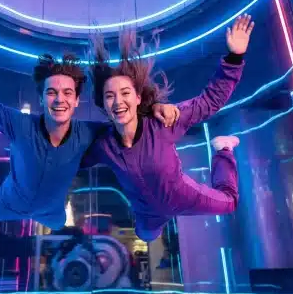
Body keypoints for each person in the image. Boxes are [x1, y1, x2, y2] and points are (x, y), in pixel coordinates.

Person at [0, 29, 180, 230]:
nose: (60, 99)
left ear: (77, 100)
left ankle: (49, 212)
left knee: (57, 224)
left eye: (68, 93)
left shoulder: (89, 133)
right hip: (9, 201)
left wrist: (155, 109)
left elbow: (125, 121)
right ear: (42, 98)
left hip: (51, 211)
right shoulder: (20, 125)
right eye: (52, 93)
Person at [83, 14, 254, 242]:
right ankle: (152, 229)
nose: (117, 102)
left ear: (137, 98)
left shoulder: (162, 123)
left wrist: (235, 57)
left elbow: (209, 101)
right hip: (147, 214)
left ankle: (223, 150)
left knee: (230, 202)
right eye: (109, 96)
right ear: (103, 104)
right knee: (145, 236)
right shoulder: (104, 145)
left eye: (125, 94)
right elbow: (68, 152)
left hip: (183, 198)